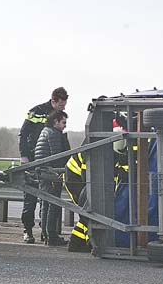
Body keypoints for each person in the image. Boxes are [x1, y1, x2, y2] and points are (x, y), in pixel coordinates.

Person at [64, 115, 130, 252]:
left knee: (91, 212)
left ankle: (77, 244)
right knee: (91, 210)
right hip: (75, 179)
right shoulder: (95, 146)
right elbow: (88, 174)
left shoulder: (118, 140)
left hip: (87, 178)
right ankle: (92, 242)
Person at [18, 87, 68, 243]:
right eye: (61, 105)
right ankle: (28, 230)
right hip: (34, 160)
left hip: (43, 159)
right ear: (53, 101)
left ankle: (45, 231)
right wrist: (24, 156)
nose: (63, 108)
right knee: (31, 197)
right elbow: (24, 133)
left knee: (45, 200)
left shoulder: (57, 118)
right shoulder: (36, 112)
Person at [34, 110, 69, 245]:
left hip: (43, 172)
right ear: (56, 122)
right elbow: (57, 156)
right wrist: (61, 172)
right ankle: (51, 236)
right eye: (63, 122)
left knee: (45, 204)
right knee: (53, 205)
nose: (65, 125)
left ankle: (45, 234)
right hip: (51, 173)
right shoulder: (54, 134)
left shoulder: (45, 131)